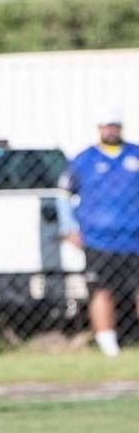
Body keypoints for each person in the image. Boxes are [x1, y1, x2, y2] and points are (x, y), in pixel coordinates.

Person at [59, 108, 139, 357]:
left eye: (114, 125)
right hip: (99, 240)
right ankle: (108, 345)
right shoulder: (85, 159)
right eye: (106, 125)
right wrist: (69, 227)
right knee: (101, 289)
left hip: (134, 238)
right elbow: (63, 194)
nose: (111, 130)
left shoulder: (134, 154)